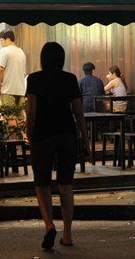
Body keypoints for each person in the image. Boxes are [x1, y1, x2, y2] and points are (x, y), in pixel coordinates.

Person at [26, 42, 90, 250]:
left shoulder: (34, 79)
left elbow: (31, 110)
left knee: (42, 183)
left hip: (42, 135)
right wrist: (85, 139)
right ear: (61, 59)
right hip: (66, 134)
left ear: (43, 59)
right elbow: (78, 112)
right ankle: (68, 234)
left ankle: (49, 225)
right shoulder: (70, 79)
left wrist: (29, 133)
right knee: (65, 185)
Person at [0, 29, 26, 106]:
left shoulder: (4, 50)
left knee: (8, 113)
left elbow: (0, 70)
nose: (1, 43)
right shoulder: (21, 52)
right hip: (21, 91)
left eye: (1, 40)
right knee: (19, 113)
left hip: (8, 91)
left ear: (8, 39)